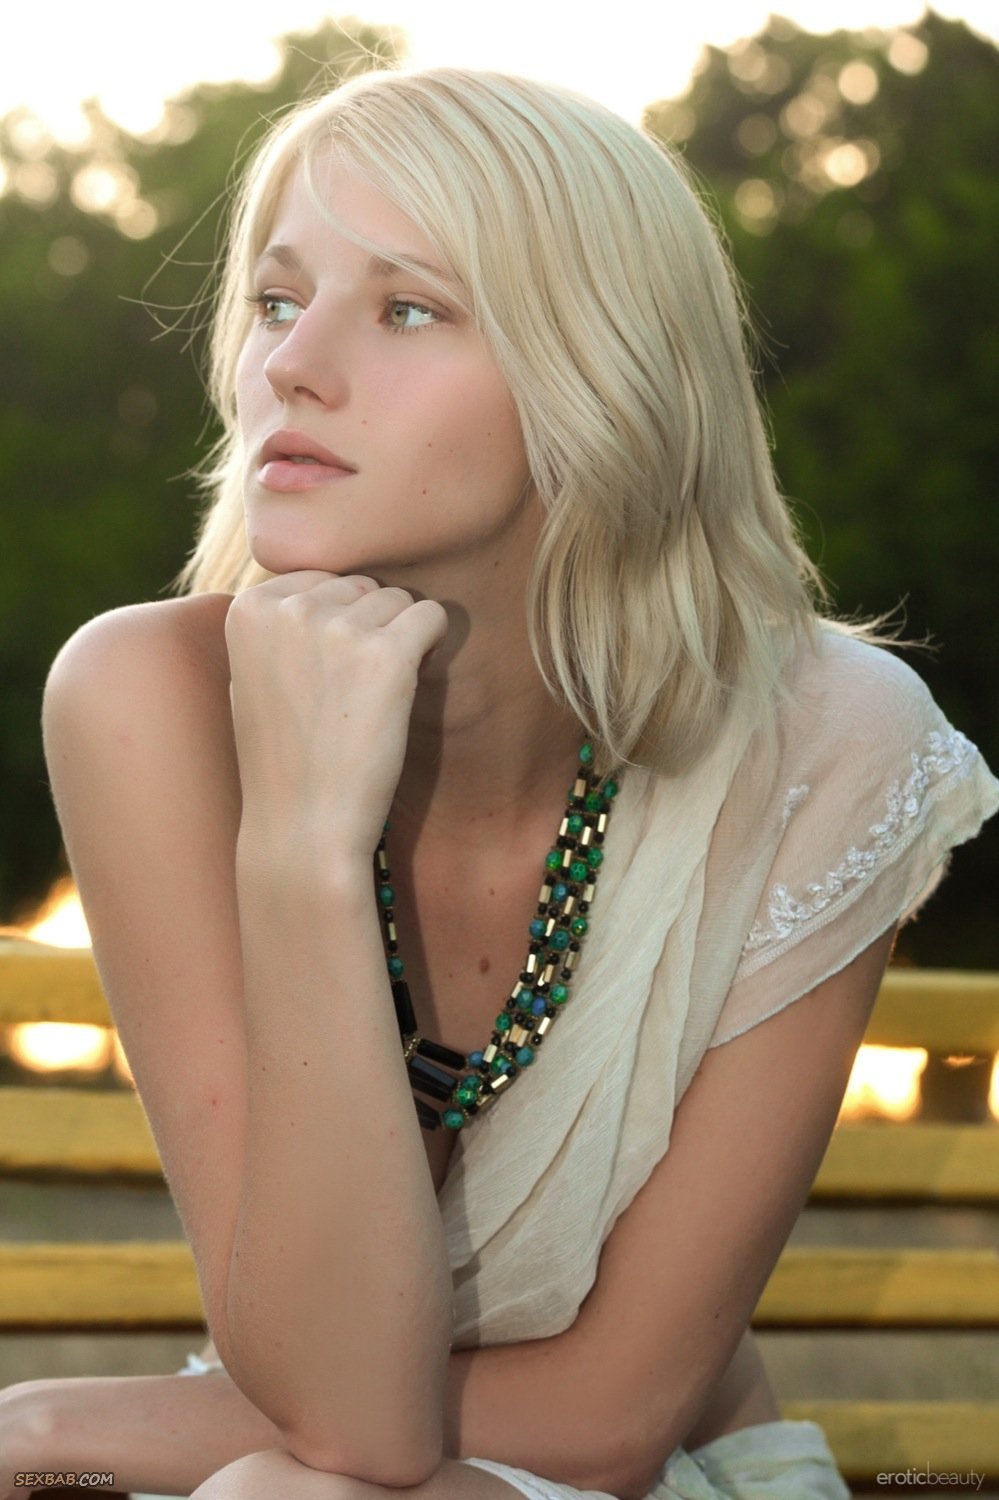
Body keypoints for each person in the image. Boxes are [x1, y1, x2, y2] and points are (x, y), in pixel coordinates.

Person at [5, 62, 996, 1500]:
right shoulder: (146, 698)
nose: (292, 366)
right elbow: (345, 1409)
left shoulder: (824, 739)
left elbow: (610, 1421)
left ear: (599, 376)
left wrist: (44, 1425)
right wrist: (300, 841)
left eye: (408, 309)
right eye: (277, 301)